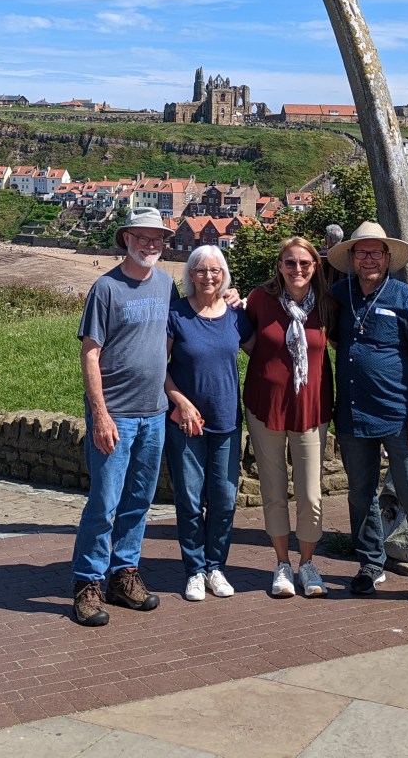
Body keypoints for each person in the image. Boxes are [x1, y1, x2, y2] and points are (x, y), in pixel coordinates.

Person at [327, 222, 408, 612]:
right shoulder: (339, 295)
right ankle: (370, 563)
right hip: (353, 416)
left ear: (388, 257)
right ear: (351, 258)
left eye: (376, 252)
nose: (369, 259)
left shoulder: (406, 299)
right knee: (360, 496)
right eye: (362, 252)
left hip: (400, 418)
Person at [71, 206, 175, 627]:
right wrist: (100, 415)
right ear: (127, 240)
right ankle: (87, 583)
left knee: (139, 501)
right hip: (116, 415)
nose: (150, 245)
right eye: (143, 237)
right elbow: (90, 354)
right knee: (104, 503)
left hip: (155, 414)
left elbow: (172, 334)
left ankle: (123, 574)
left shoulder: (166, 284)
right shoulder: (106, 288)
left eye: (157, 239)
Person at [243, 235, 335, 598]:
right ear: (279, 266)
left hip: (311, 406)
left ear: (315, 267)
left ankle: (307, 564)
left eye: (305, 263)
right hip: (265, 405)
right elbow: (246, 338)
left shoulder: (327, 303)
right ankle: (282, 563)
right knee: (273, 490)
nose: (298, 269)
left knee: (310, 493)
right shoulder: (259, 299)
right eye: (290, 262)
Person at [164, 245, 254, 601]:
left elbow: (262, 350)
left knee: (225, 500)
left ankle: (216, 567)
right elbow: (157, 367)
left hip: (227, 421)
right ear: (190, 274)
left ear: (224, 275)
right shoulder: (177, 314)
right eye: (200, 270)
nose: (208, 276)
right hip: (186, 424)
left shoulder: (235, 315)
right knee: (189, 501)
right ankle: (194, 571)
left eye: (215, 270)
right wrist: (181, 402)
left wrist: (249, 304)